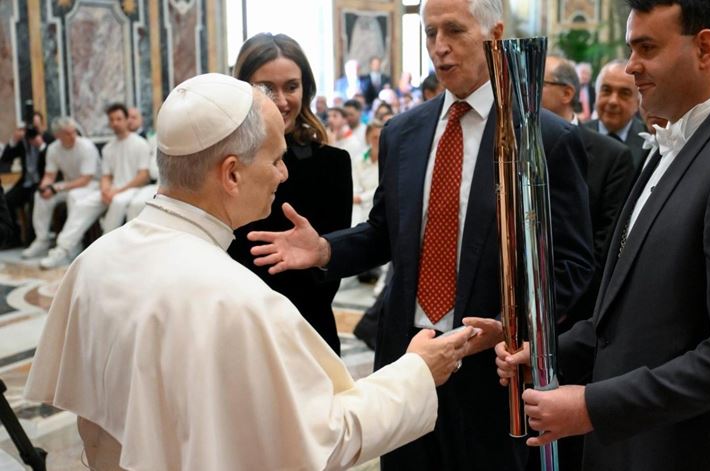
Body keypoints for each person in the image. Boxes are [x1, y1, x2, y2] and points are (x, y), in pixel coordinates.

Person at [24, 72, 474, 470]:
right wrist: (417, 371)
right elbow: (323, 439)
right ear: (232, 174)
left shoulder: (94, 261)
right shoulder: (237, 300)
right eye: (275, 159)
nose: (283, 174)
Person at [245, 0, 593, 469]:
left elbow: (571, 265)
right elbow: (385, 233)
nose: (440, 48)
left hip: (490, 370)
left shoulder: (543, 138)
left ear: (494, 32)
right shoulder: (402, 133)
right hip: (407, 361)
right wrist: (327, 248)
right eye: (430, 34)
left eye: (454, 31)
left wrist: (513, 327)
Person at [495, 1, 710, 470]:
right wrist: (543, 354)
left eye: (647, 48)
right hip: (634, 447)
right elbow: (626, 319)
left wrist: (594, 407)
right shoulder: (671, 146)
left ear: (704, 48)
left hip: (689, 452)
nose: (630, 65)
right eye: (630, 47)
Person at [227, 33, 354, 355]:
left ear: (306, 89)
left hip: (305, 330)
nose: (281, 101)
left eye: (292, 87)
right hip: (234, 330)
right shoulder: (221, 164)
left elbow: (328, 270)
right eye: (267, 88)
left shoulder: (332, 164)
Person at [542, 55, 635, 338]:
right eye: (605, 90)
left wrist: (560, 303)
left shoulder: (612, 154)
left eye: (537, 82)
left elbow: (604, 245)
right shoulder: (512, 146)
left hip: (575, 316)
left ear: (567, 93)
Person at [38, 104, 150, 269]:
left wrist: (116, 190)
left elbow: (143, 176)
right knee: (82, 204)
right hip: (111, 190)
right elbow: (106, 176)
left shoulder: (140, 143)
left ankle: (104, 253)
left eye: (119, 119)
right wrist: (105, 189)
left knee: (118, 202)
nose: (115, 123)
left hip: (133, 190)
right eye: (111, 120)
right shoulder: (108, 148)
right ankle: (63, 250)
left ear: (126, 120)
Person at [21, 117, 100, 260]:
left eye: (74, 132)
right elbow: (49, 175)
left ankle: (74, 245)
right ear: (58, 135)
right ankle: (42, 240)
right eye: (68, 133)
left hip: (92, 185)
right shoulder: (53, 149)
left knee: (74, 196)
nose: (73, 136)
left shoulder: (86, 147)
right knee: (40, 196)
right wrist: (45, 187)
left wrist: (57, 188)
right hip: (69, 184)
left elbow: (85, 179)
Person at [582, 60, 647, 173]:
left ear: (637, 103)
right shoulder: (577, 136)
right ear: (596, 96)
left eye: (624, 93)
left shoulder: (649, 142)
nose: (613, 101)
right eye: (606, 91)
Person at [1, 112, 49, 246]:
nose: (32, 130)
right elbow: (5, 160)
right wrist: (13, 141)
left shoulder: (48, 139)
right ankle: (13, 239)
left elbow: (53, 163)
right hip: (25, 183)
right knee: (6, 200)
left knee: (35, 200)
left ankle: (32, 241)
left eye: (36, 127)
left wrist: (41, 146)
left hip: (41, 182)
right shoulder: (22, 142)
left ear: (42, 126)